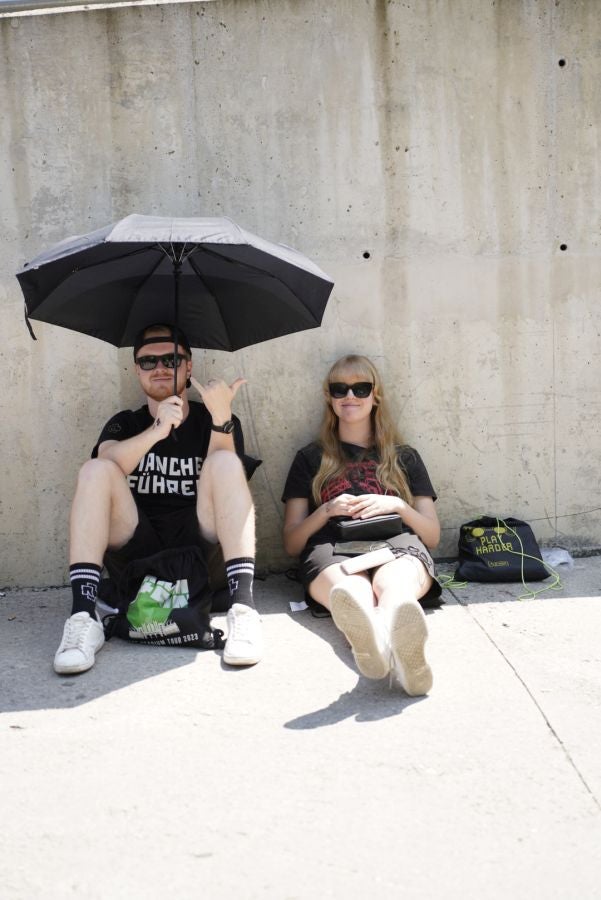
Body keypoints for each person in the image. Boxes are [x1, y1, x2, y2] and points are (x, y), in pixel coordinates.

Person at [54, 323, 262, 675]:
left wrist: (222, 418)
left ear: (189, 365)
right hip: (138, 552)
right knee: (94, 470)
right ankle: (83, 617)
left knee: (227, 462)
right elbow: (107, 463)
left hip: (199, 550)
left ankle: (243, 610)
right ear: (136, 369)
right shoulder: (125, 422)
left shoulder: (216, 417)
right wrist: (156, 431)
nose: (161, 368)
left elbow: (225, 472)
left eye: (172, 359)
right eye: (148, 362)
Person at [282, 354, 441, 695]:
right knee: (350, 594)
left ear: (375, 395)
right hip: (332, 546)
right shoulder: (309, 458)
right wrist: (324, 510)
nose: (349, 396)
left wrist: (398, 505)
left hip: (396, 542)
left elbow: (432, 535)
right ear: (329, 397)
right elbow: (293, 544)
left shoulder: (404, 457)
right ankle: (385, 647)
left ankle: (388, 642)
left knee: (394, 589)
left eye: (360, 388)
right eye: (340, 389)